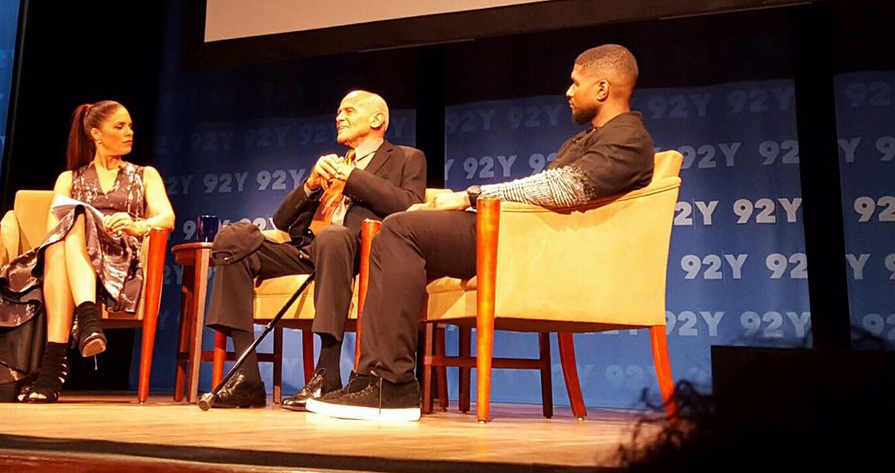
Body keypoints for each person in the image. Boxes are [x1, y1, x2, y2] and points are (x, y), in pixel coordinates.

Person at [307, 44, 655, 421]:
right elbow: (550, 187)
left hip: (529, 245)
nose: (568, 92)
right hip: (516, 234)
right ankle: (372, 378)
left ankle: (392, 385)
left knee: (401, 229)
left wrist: (471, 196)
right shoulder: (589, 138)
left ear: (602, 90)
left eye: (575, 83)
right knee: (397, 230)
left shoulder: (628, 139)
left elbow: (563, 189)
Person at [202, 90, 426, 409]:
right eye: (338, 112)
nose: (339, 117)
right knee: (234, 242)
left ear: (378, 120)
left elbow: (410, 207)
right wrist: (310, 184)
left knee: (333, 237)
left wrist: (354, 178)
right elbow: (281, 221)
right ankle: (247, 378)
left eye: (349, 111)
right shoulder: (331, 166)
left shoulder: (406, 157)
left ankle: (327, 373)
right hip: (310, 250)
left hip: (362, 252)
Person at [0, 100, 175, 402]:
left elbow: (167, 217)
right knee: (72, 223)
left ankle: (55, 364)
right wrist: (83, 221)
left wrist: (136, 225)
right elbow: (54, 230)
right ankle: (85, 325)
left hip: (119, 260)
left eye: (130, 125)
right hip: (67, 258)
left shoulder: (144, 175)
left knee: (72, 227)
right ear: (96, 135)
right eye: (120, 126)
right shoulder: (69, 179)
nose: (130, 132)